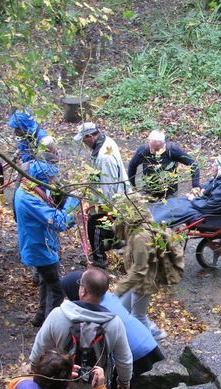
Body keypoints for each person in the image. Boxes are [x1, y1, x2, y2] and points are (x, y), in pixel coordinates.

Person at [61, 271, 165, 389]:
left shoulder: (93, 311)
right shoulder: (106, 296)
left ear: (82, 291)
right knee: (125, 379)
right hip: (146, 342)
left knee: (117, 381)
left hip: (133, 350)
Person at [13, 160, 79, 327]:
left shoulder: (30, 188)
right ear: (40, 178)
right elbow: (59, 222)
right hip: (40, 249)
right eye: (49, 180)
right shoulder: (29, 199)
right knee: (58, 289)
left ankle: (40, 316)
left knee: (45, 281)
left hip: (40, 245)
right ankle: (53, 326)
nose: (51, 183)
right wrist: (74, 200)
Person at [73, 122, 130, 267]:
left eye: (84, 140)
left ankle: (99, 258)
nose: (84, 144)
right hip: (115, 195)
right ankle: (119, 241)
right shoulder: (106, 141)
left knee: (95, 225)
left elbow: (108, 185)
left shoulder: (105, 157)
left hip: (112, 199)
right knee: (103, 224)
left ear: (90, 136)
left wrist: (103, 207)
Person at [113, 196, 168, 341]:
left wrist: (121, 288)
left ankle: (150, 346)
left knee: (138, 316)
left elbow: (141, 268)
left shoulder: (141, 237)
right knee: (123, 309)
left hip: (144, 282)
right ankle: (154, 332)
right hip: (137, 281)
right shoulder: (135, 228)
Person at [149, 155, 221, 227]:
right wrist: (201, 189)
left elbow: (211, 206)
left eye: (215, 165)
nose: (212, 166)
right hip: (203, 203)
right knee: (173, 202)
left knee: (176, 210)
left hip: (205, 210)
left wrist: (194, 199)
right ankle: (150, 212)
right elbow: (212, 186)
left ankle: (153, 222)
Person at [128, 129, 200, 199]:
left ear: (163, 144)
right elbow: (132, 166)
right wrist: (133, 186)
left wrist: (195, 185)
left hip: (169, 192)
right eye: (152, 149)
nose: (155, 152)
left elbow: (192, 163)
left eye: (158, 149)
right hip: (149, 190)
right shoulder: (143, 151)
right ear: (148, 143)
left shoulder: (172, 150)